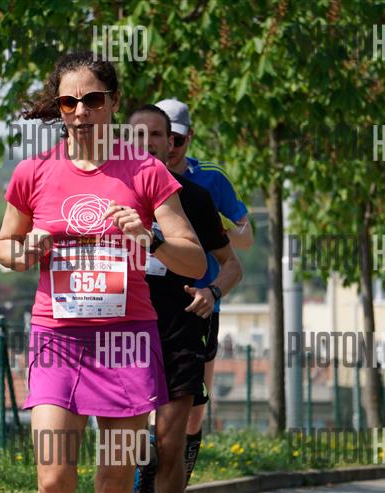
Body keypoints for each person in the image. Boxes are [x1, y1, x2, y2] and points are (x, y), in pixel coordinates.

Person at [0, 52, 207, 493]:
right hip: (57, 338)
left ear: (113, 102)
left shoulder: (146, 171)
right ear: (59, 108)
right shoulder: (33, 171)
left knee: (114, 479)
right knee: (53, 479)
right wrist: (26, 251)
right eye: (69, 102)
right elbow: (4, 248)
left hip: (126, 340)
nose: (81, 112)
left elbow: (195, 261)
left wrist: (150, 239)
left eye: (92, 100)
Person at [128, 105, 242, 493]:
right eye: (138, 135)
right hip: (122, 334)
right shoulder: (109, 194)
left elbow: (231, 265)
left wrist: (213, 291)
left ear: (171, 144)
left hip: (179, 332)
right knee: (128, 448)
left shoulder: (194, 197)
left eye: (157, 135)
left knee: (169, 446)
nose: (147, 143)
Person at [154, 99, 254, 485]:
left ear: (186, 137)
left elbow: (245, 239)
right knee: (147, 414)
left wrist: (212, 229)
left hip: (199, 303)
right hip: (148, 305)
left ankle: (179, 475)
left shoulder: (207, 182)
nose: (169, 148)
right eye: (152, 138)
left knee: (192, 412)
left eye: (176, 140)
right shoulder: (129, 179)